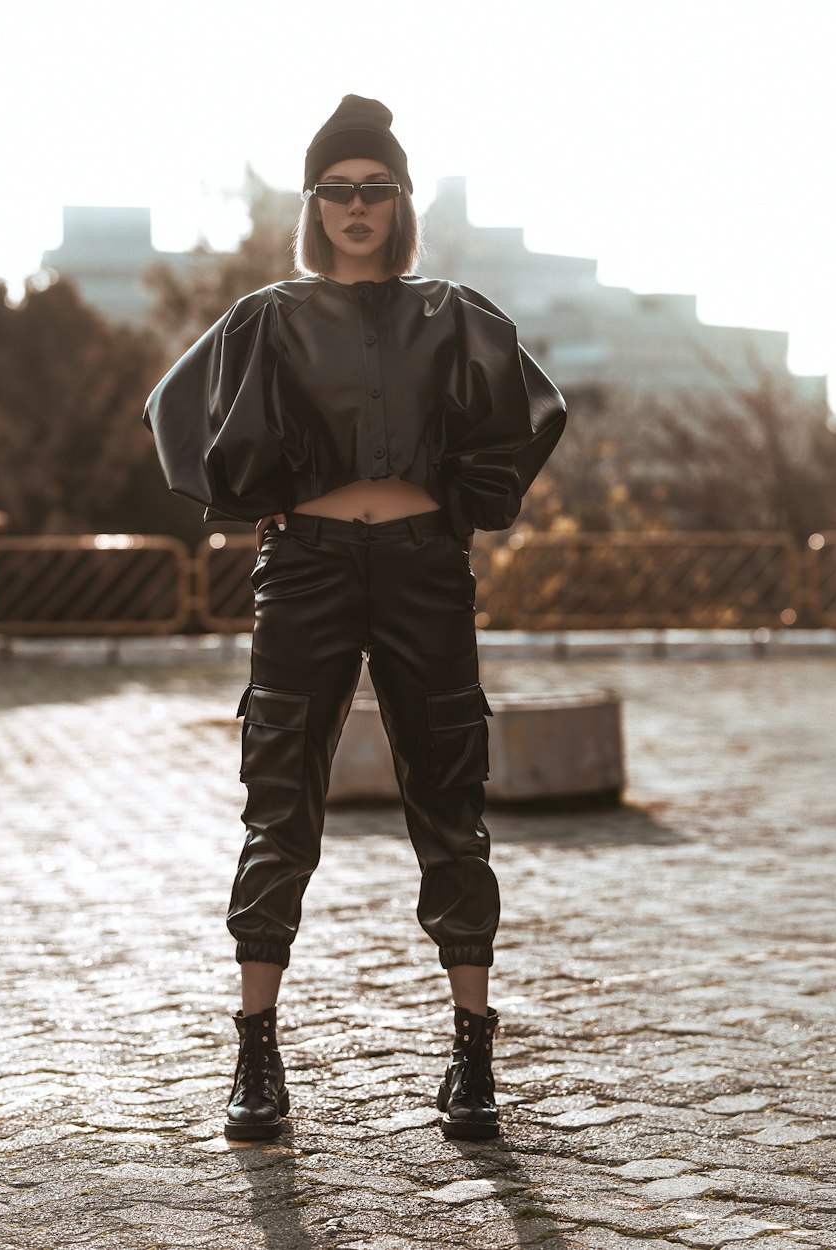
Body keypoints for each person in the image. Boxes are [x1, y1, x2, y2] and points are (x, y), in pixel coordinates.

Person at [142, 95, 567, 1143]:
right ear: (313, 202)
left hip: (425, 569)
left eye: (374, 187)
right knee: (279, 796)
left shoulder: (455, 314)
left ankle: (472, 1055)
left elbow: (534, 409)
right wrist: (255, 491)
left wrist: (466, 502)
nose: (356, 206)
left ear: (401, 199)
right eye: (337, 189)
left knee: (450, 801)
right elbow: (173, 408)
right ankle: (256, 1048)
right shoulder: (269, 316)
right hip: (309, 571)